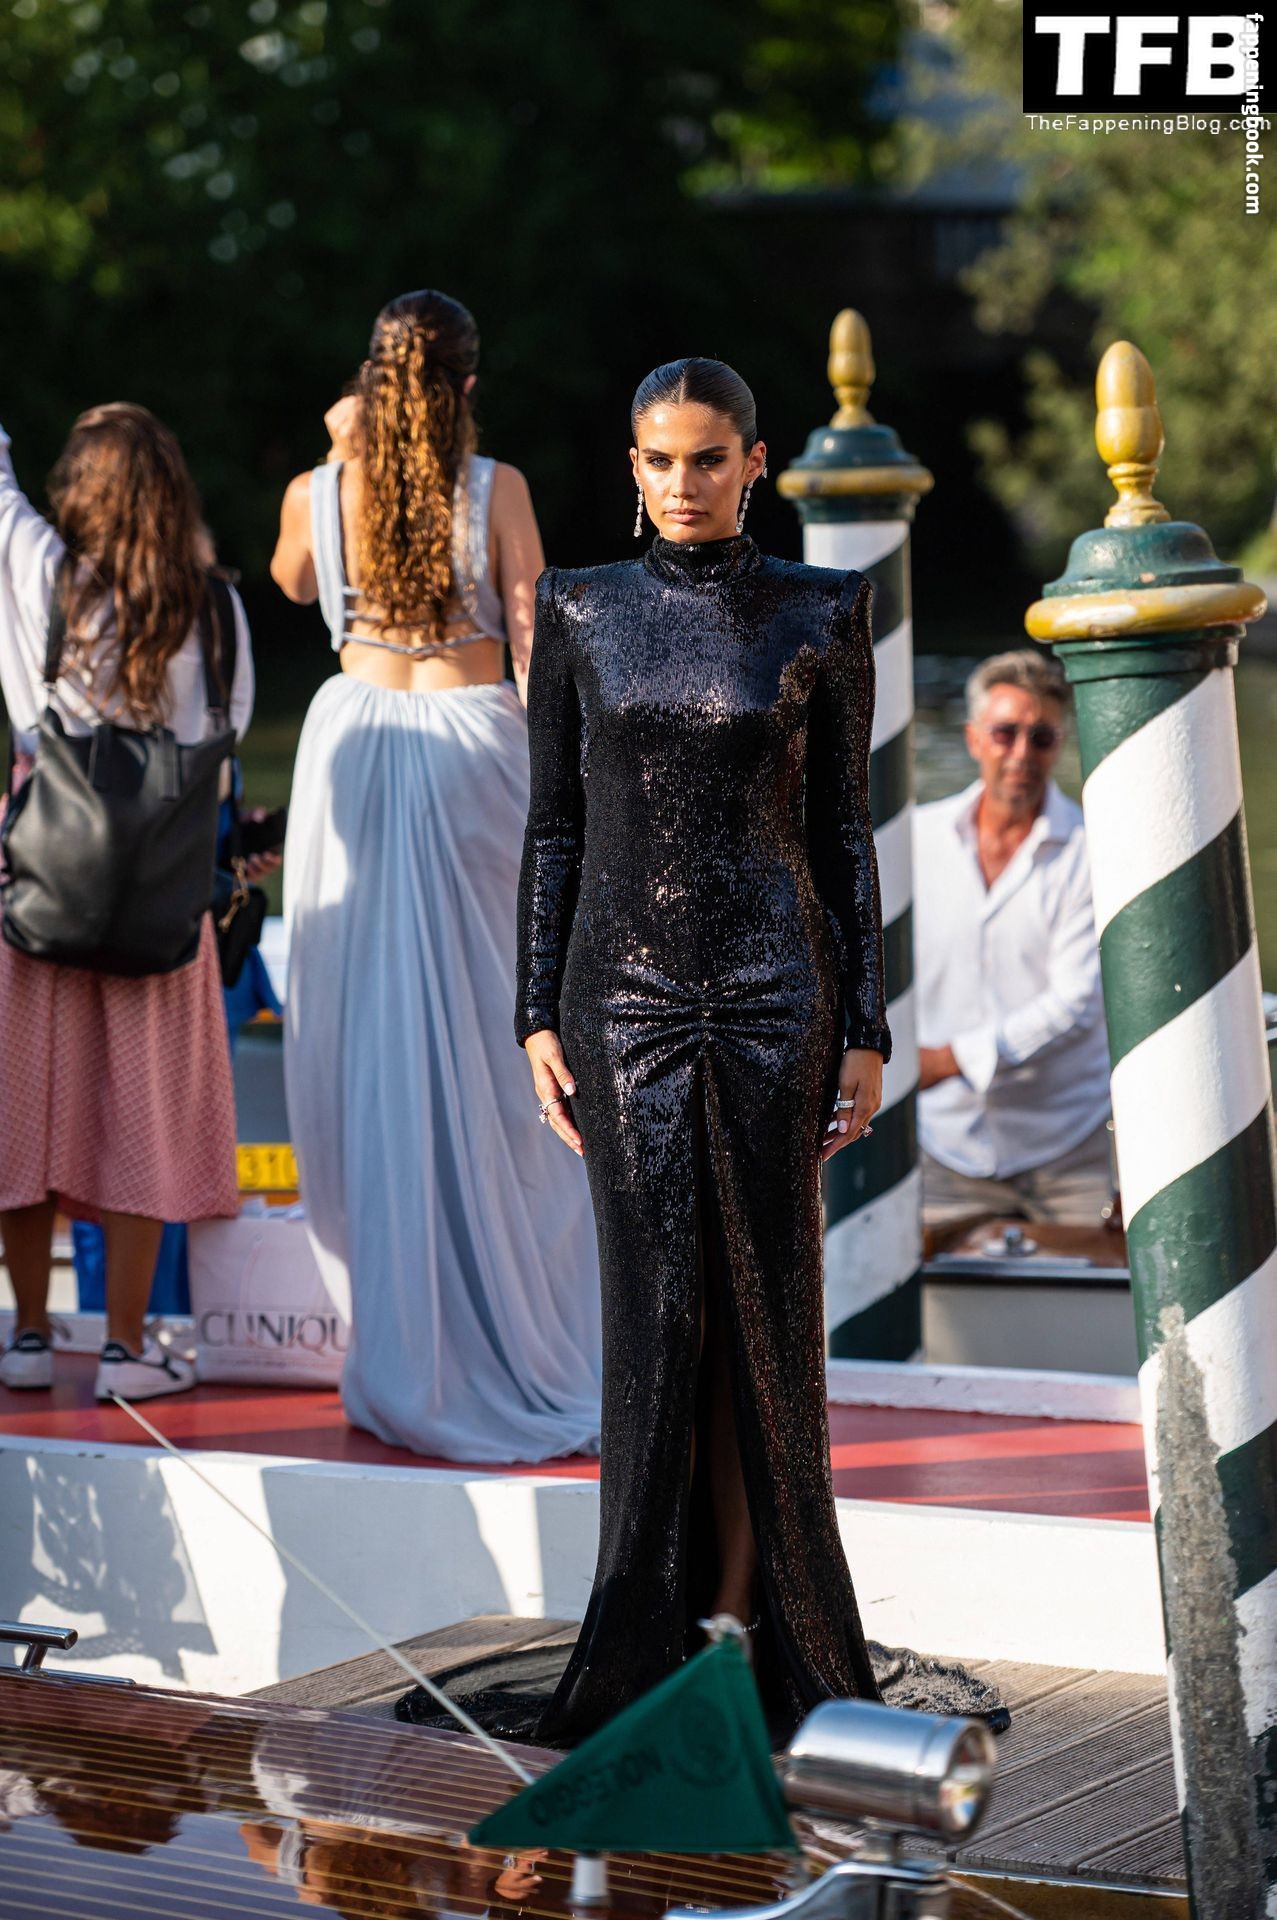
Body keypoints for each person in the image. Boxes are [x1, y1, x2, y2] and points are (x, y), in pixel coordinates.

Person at [510, 357, 1002, 1747]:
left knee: (767, 1315)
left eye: (708, 459)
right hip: (619, 1007)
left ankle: (754, 1631)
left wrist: (865, 1026)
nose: (684, 484)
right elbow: (553, 827)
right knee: (655, 1313)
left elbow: (845, 833)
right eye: (660, 461)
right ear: (633, 468)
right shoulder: (576, 607)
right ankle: (644, 1640)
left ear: (754, 462)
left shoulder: (821, 609)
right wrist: (533, 1013)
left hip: (779, 998)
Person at [271, 288, 601, 1465]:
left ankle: (405, 1344)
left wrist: (334, 450)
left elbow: (293, 582)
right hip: (473, 747)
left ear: (368, 382)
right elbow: (534, 640)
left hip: (354, 745)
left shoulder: (319, 488)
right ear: (466, 384)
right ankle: (521, 1325)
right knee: (501, 1032)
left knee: (368, 1039)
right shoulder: (496, 487)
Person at [0, 405, 252, 1400]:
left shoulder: (41, 575)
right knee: (141, 1113)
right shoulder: (217, 610)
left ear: (80, 492)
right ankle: (124, 1348)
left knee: (24, 1113)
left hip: (42, 887)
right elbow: (228, 735)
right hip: (161, 898)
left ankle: (27, 1336)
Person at [914, 650, 1112, 1227]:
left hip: (1066, 1144)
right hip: (942, 1143)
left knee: (1094, 1282)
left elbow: (1077, 1003)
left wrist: (946, 1061)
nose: (1022, 753)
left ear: (1059, 745)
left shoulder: (1091, 852)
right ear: (974, 738)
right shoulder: (915, 840)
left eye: (1041, 737)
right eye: (1005, 733)